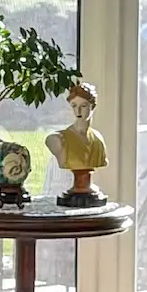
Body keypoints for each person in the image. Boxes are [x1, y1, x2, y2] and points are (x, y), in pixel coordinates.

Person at [45, 77, 108, 207]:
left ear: (93, 106)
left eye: (83, 106)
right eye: (74, 106)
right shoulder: (60, 139)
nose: (78, 111)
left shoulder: (98, 140)